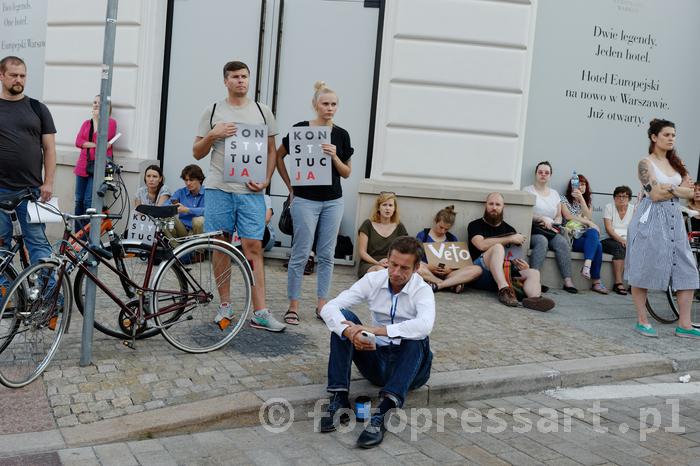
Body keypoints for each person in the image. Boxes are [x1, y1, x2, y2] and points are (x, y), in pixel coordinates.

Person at [193, 60, 285, 332]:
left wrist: (267, 179)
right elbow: (197, 152)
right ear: (226, 81)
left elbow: (271, 151)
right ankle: (225, 305)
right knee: (220, 247)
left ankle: (261, 311)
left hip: (250, 192)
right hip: (219, 188)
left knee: (253, 248)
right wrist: (213, 134)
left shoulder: (262, 111)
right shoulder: (212, 111)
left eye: (244, 76)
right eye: (235, 77)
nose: (241, 81)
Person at [319, 236, 433, 448]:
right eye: (393, 265)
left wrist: (376, 331)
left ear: (417, 268)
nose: (396, 273)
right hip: (377, 362)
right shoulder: (374, 280)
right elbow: (329, 308)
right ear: (386, 260)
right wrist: (350, 333)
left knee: (417, 337)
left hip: (412, 369)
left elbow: (425, 325)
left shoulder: (422, 290)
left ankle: (383, 413)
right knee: (343, 320)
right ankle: (339, 399)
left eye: (404, 268)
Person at [276, 81, 353, 325]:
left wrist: (334, 156)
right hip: (305, 200)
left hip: (333, 201)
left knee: (327, 255)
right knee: (300, 253)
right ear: (315, 105)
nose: (329, 108)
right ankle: (293, 306)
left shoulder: (341, 134)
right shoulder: (300, 129)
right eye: (325, 103)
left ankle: (322, 305)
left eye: (333, 104)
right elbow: (279, 157)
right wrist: (290, 187)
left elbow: (346, 172)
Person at [627, 119, 699, 338]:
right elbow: (655, 194)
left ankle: (684, 324)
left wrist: (671, 189)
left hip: (674, 219)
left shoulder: (678, 164)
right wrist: (678, 190)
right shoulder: (645, 163)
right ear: (654, 137)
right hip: (650, 219)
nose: (671, 139)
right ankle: (642, 320)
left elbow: (693, 193)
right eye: (666, 135)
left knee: (687, 268)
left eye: (673, 135)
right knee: (644, 266)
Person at [0, 56, 56, 263]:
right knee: (1, 246)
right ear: (1, 76)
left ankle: (48, 293)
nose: (18, 80)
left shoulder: (37, 108)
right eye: (13, 75)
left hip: (32, 191)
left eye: (22, 76)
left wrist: (48, 182)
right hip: (1, 191)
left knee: (39, 243)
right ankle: (4, 292)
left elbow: (49, 149)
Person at [468, 192, 555, 311]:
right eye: (491, 204)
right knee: (498, 247)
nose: (494, 207)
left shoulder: (509, 229)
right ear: (485, 205)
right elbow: (481, 245)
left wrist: (521, 266)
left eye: (498, 204)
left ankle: (534, 299)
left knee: (534, 272)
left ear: (504, 207)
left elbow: (513, 255)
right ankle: (503, 289)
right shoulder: (475, 225)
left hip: (504, 272)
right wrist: (509, 238)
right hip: (481, 273)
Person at [523, 161, 577, 292]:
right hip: (534, 229)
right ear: (536, 174)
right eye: (540, 172)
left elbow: (558, 215)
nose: (543, 175)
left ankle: (568, 281)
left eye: (546, 173)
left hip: (551, 229)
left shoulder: (554, 194)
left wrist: (554, 223)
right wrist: (541, 219)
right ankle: (533, 280)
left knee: (562, 243)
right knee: (542, 241)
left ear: (550, 176)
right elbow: (525, 214)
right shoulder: (527, 190)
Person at [73, 94, 118, 232]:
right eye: (94, 102)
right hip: (83, 166)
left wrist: (97, 121)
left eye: (99, 102)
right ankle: (77, 234)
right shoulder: (86, 123)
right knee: (79, 200)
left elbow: (102, 142)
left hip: (98, 167)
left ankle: (87, 235)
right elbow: (78, 142)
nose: (96, 105)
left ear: (107, 106)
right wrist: (95, 145)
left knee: (88, 201)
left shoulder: (110, 122)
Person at [560, 173, 608, 294]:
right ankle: (596, 281)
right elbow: (568, 216)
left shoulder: (588, 203)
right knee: (597, 243)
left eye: (583, 184)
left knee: (594, 237)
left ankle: (587, 266)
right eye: (577, 184)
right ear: (571, 186)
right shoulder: (564, 199)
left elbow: (589, 217)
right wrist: (589, 223)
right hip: (572, 238)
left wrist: (581, 199)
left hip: (586, 238)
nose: (580, 187)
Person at [415, 205, 481, 293]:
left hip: (448, 274)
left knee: (477, 269)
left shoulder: (452, 238)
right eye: (441, 227)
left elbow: (460, 262)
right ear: (436, 221)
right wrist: (429, 266)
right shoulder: (423, 235)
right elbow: (414, 257)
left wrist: (450, 269)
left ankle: (439, 285)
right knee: (416, 266)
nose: (442, 231)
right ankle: (448, 284)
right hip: (428, 272)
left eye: (446, 229)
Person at [357, 192, 408, 278]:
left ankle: (438, 283)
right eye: (384, 205)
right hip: (370, 263)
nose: (387, 208)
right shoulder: (368, 224)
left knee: (416, 270)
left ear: (394, 209)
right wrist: (377, 263)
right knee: (381, 271)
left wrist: (391, 261)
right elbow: (362, 252)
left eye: (390, 205)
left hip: (392, 263)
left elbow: (405, 250)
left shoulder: (399, 226)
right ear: (378, 208)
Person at [602, 185, 635, 295]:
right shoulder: (609, 207)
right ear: (614, 198)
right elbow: (609, 229)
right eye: (619, 196)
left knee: (638, 249)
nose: (621, 199)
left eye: (625, 196)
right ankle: (618, 283)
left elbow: (636, 229)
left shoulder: (633, 209)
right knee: (619, 247)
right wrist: (621, 240)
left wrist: (629, 241)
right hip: (609, 239)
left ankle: (633, 284)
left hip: (628, 240)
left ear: (629, 198)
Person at [168, 164, 205, 237]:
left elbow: (209, 211)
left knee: (199, 221)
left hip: (201, 232)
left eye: (191, 180)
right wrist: (173, 207)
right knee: (166, 219)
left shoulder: (208, 193)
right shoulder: (180, 192)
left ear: (200, 179)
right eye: (186, 180)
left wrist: (187, 210)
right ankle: (176, 248)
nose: (188, 183)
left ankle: (199, 248)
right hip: (183, 230)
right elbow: (166, 205)